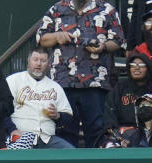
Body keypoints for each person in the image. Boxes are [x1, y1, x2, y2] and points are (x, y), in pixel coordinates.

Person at [37, 0, 125, 148]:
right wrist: (57, 36)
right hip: (63, 82)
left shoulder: (107, 9)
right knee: (64, 131)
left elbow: (118, 41)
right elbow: (41, 39)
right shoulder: (57, 9)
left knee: (97, 131)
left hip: (95, 82)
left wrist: (102, 47)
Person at [6, 48, 76, 149]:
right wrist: (12, 130)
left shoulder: (55, 87)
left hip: (47, 139)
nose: (38, 64)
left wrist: (58, 116)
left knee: (73, 155)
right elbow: (2, 112)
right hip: (20, 137)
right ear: (28, 61)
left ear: (48, 64)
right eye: (35, 59)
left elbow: (69, 118)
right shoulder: (13, 80)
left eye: (43, 61)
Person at [102, 52, 152, 131]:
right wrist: (115, 132)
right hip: (124, 132)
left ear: (148, 68)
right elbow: (110, 113)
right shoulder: (120, 87)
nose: (137, 68)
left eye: (141, 65)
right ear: (129, 69)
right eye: (133, 65)